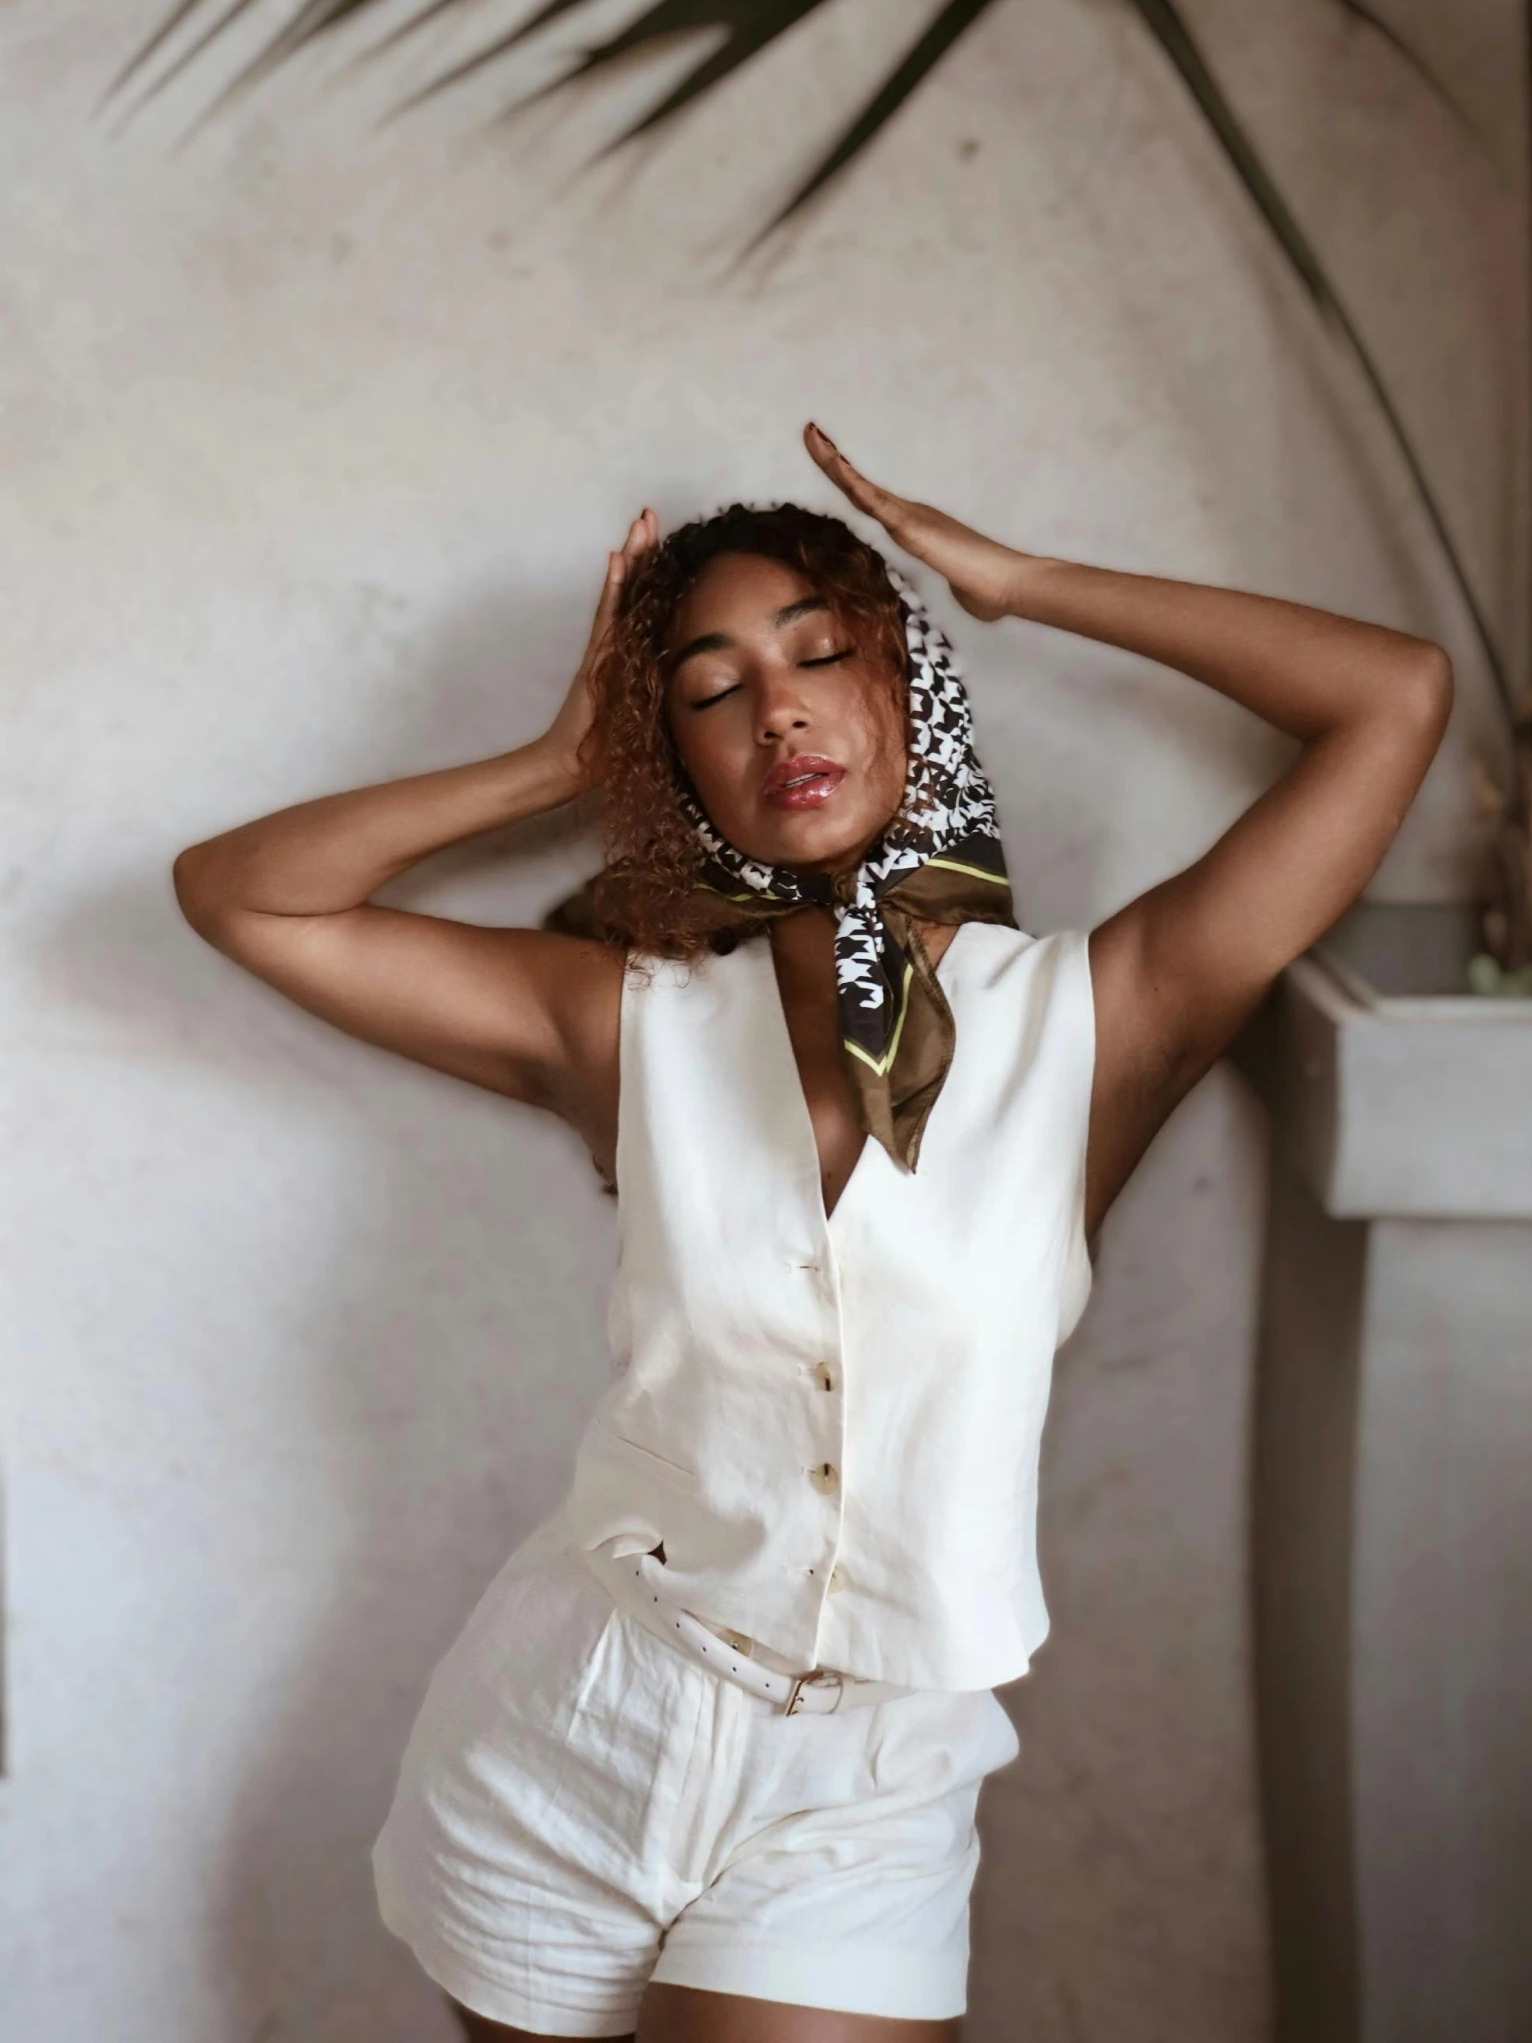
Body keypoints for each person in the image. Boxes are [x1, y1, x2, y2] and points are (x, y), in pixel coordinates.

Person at [172, 425, 1452, 2042]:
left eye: (818, 650)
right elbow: (240, 895)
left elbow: (1393, 695)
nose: (772, 705)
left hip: (863, 1784)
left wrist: (1016, 581)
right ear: (680, 760)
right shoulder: (623, 1025)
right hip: (570, 1724)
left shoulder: (1092, 1021)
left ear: (900, 686)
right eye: (707, 689)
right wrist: (551, 762)